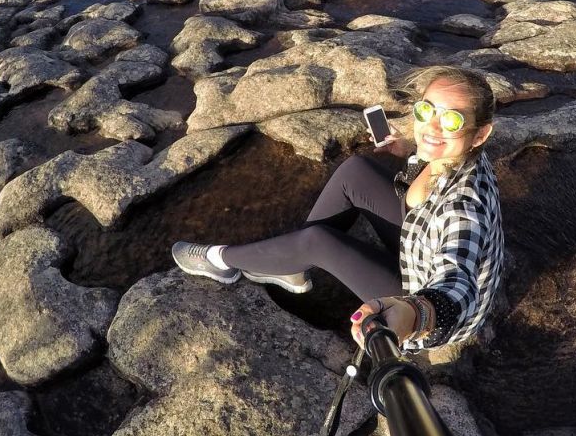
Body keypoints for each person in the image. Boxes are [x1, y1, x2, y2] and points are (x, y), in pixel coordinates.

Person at [172, 66, 504, 352]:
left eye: (451, 119)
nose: (432, 127)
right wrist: (408, 150)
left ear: (480, 134)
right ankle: (293, 265)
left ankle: (221, 260)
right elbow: (433, 152)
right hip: (418, 246)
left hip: (419, 302)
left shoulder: (464, 209)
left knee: (318, 241)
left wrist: (416, 313)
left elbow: (457, 283)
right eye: (425, 110)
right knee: (356, 171)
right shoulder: (459, 154)